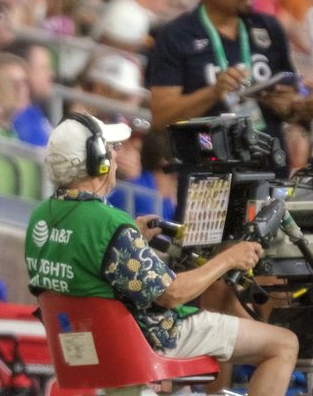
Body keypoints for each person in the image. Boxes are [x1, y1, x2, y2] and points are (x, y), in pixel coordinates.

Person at [25, 113, 298, 396]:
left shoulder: (41, 217)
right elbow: (172, 294)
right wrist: (229, 258)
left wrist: (132, 239)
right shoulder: (108, 224)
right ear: (98, 161)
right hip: (150, 339)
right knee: (284, 344)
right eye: (112, 150)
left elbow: (86, 261)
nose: (117, 158)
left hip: (88, 347)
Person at [149, 0, 300, 175]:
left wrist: (290, 105)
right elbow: (161, 117)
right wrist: (213, 92)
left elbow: (292, 97)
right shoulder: (176, 35)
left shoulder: (269, 28)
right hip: (208, 180)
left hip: (270, 171)